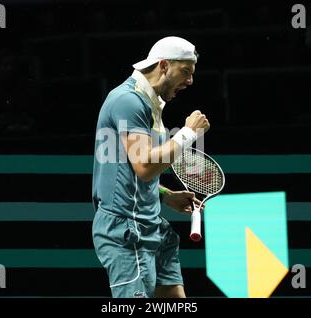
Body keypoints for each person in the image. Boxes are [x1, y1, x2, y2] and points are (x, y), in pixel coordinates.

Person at [92, 36, 210, 298]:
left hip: (151, 224)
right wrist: (188, 134)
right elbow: (145, 165)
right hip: (126, 231)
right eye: (185, 71)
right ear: (165, 65)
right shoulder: (128, 101)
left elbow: (126, 169)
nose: (190, 81)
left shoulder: (149, 102)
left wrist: (166, 196)